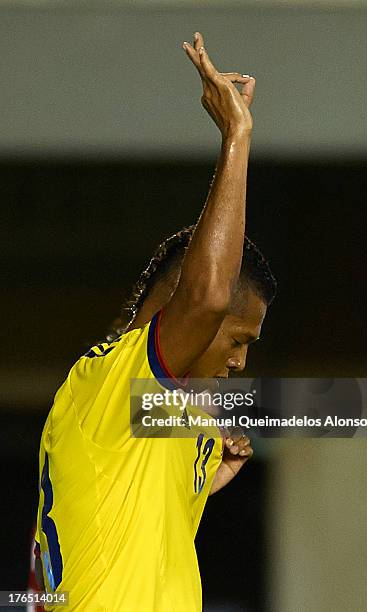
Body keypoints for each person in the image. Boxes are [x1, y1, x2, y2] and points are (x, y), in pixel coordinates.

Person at [33, 32, 276, 611]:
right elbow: (210, 295)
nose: (241, 361)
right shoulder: (111, 378)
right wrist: (236, 139)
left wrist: (199, 480)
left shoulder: (149, 409)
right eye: (238, 338)